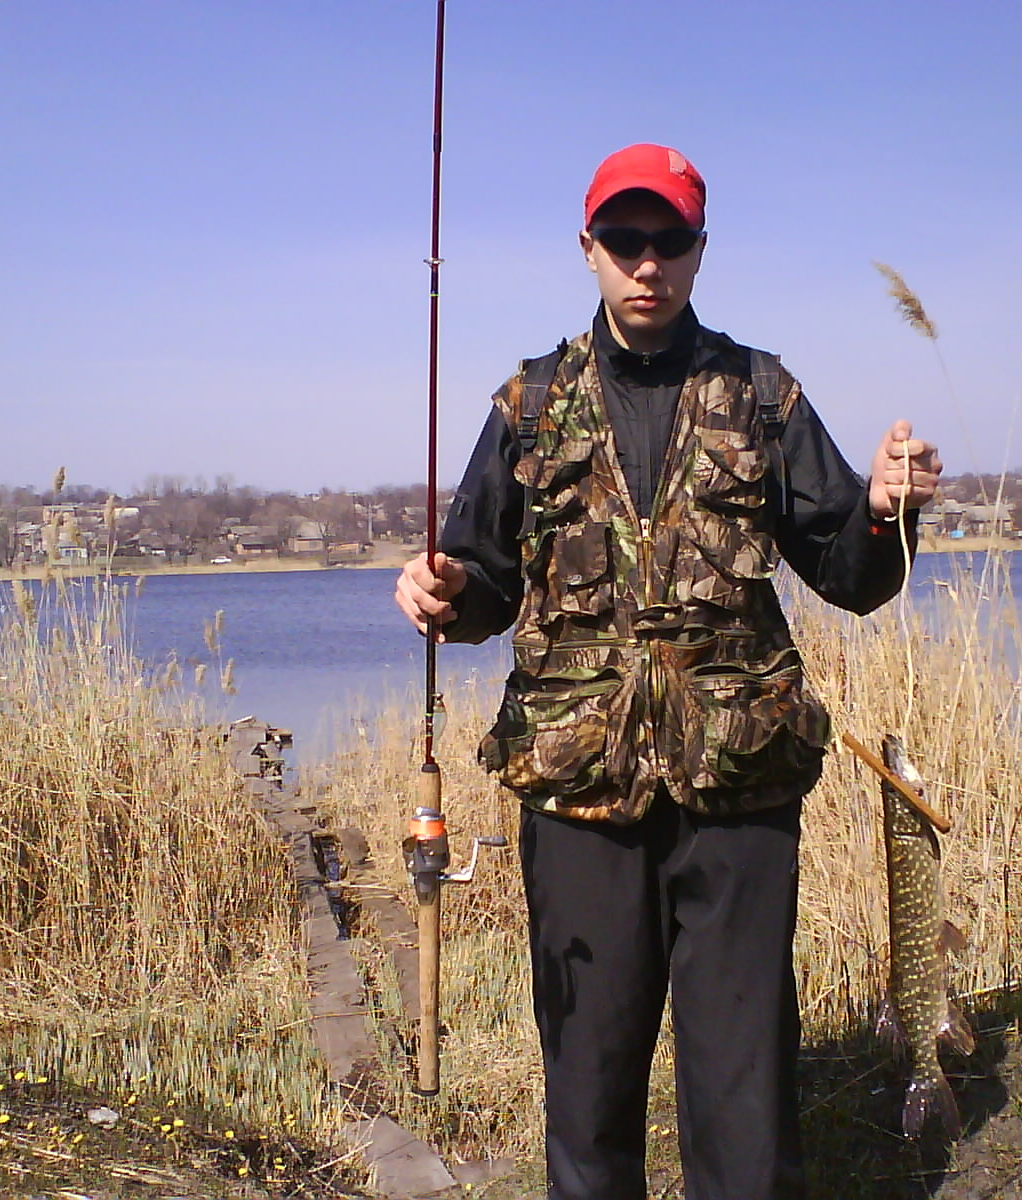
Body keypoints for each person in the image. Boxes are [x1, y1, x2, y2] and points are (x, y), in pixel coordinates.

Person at [395, 143, 940, 1200]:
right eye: (625, 240)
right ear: (588, 247)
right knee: (589, 1090)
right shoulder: (529, 403)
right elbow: (483, 579)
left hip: (740, 793)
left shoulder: (764, 394)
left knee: (745, 1097)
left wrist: (885, 511)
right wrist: (442, 592)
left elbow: (851, 574)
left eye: (669, 240)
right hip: (577, 795)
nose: (647, 263)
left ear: (699, 249)